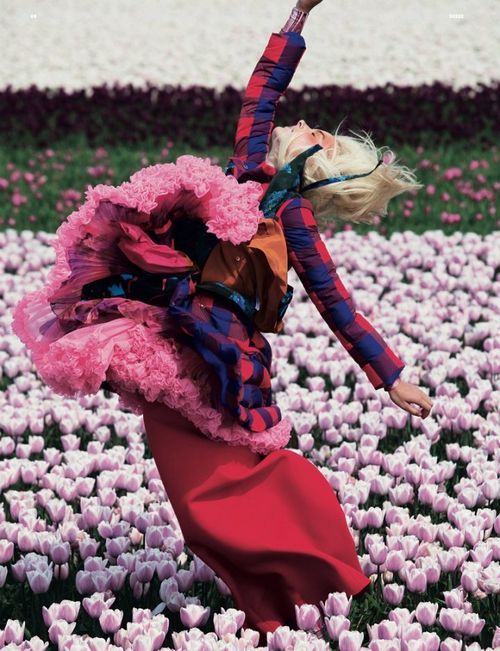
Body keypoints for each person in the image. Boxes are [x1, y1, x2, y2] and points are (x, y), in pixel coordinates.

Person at [11, 0, 433, 644]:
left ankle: (307, 569)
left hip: (214, 354)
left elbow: (336, 303)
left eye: (312, 130)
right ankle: (278, 592)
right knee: (197, 490)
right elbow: (259, 96)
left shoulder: (294, 220)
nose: (297, 121)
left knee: (219, 486)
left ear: (318, 159)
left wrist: (389, 375)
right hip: (169, 331)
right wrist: (298, 15)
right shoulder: (248, 169)